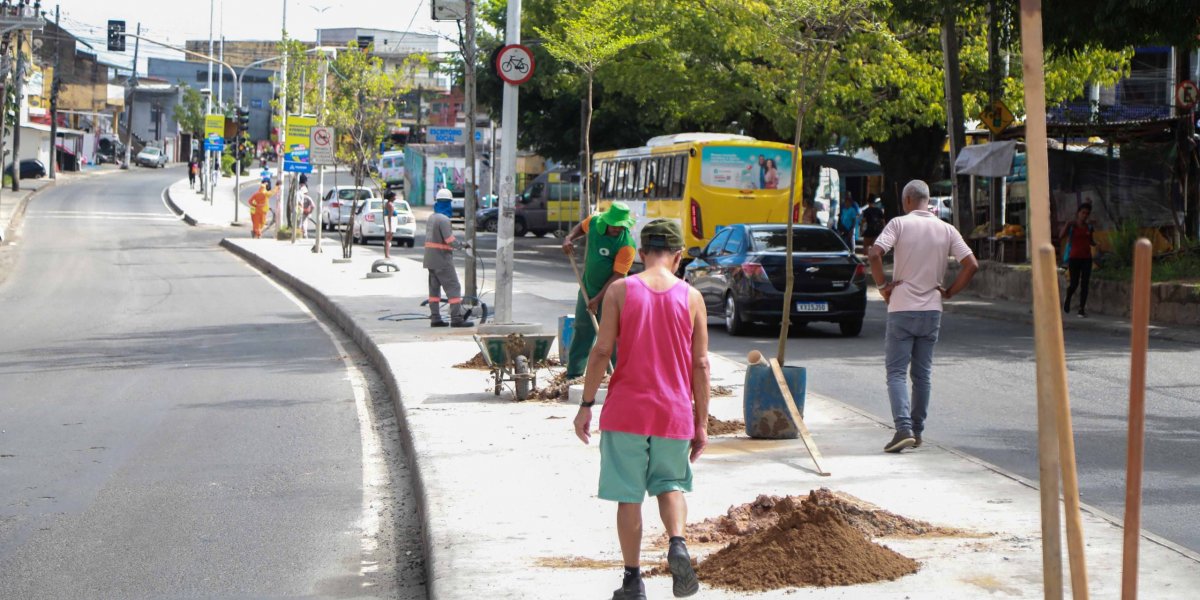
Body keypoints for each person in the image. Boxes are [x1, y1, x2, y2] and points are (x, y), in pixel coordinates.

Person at [574, 218, 709, 600]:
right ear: (678, 256)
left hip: (626, 412)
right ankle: (678, 544)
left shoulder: (620, 290)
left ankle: (633, 581)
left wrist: (586, 405)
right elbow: (701, 365)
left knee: (629, 495)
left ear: (643, 252)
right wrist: (701, 424)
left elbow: (601, 351)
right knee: (670, 485)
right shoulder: (692, 297)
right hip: (674, 412)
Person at [868, 180, 978, 453]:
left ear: (907, 200)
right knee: (922, 375)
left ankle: (902, 428)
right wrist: (950, 291)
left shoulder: (898, 224)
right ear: (927, 201)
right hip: (932, 309)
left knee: (895, 372)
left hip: (902, 307)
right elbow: (971, 264)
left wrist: (883, 287)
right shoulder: (947, 229)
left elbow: (874, 254)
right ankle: (916, 432)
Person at [560, 202, 638, 379]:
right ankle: (574, 375)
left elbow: (618, 276)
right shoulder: (595, 223)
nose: (618, 229)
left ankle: (617, 376)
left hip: (613, 294)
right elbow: (581, 227)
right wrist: (569, 238)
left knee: (613, 333)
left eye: (622, 226)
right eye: (615, 225)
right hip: (587, 289)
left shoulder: (626, 245)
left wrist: (597, 299)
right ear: (608, 221)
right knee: (582, 329)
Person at [424, 189, 473, 328]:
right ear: (448, 203)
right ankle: (456, 319)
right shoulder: (444, 220)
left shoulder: (432, 218)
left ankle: (435, 318)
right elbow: (449, 240)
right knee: (454, 287)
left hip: (430, 260)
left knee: (434, 291)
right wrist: (462, 245)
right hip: (442, 260)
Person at [1059, 204, 1097, 317]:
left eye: (1087, 213)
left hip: (1087, 258)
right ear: (1078, 213)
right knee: (1074, 283)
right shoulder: (1072, 226)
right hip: (1074, 258)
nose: (1084, 215)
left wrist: (1097, 245)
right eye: (1083, 213)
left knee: (1085, 283)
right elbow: (1061, 236)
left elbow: (1091, 241)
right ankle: (1068, 297)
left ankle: (1081, 309)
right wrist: (1066, 225)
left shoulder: (1089, 227)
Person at [295, 174, 313, 239]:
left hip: (300, 211)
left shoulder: (300, 194)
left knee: (299, 223)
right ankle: (303, 235)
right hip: (303, 211)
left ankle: (300, 235)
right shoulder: (307, 198)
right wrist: (310, 211)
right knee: (303, 223)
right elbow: (313, 206)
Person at [383, 190, 397, 258]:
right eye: (395, 196)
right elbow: (389, 217)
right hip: (391, 222)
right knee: (388, 238)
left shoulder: (388, 203)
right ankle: (387, 254)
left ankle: (387, 254)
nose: (396, 197)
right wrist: (390, 227)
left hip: (391, 222)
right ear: (391, 197)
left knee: (388, 239)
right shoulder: (390, 205)